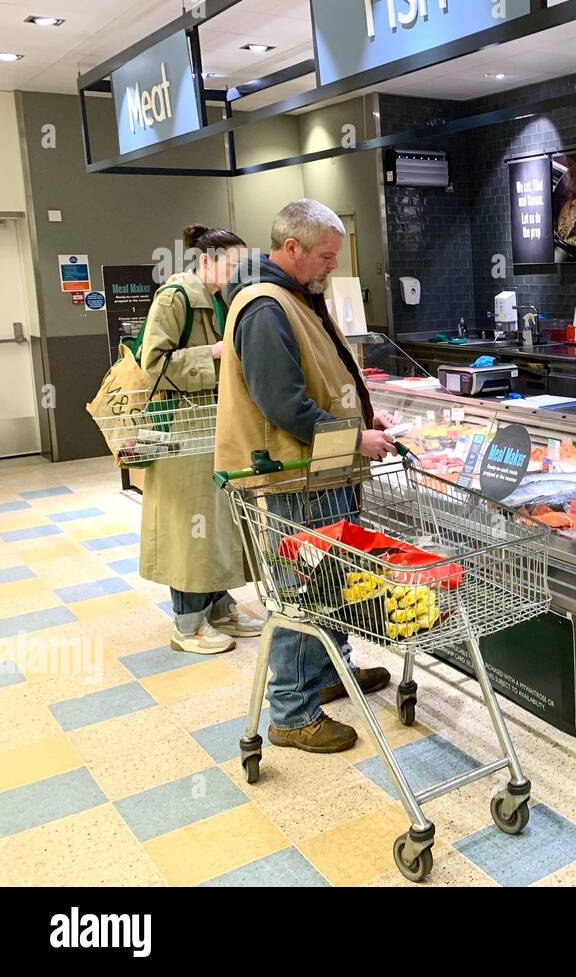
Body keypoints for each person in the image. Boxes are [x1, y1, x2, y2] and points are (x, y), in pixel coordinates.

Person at [215, 199, 398, 755]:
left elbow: (322, 380)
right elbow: (284, 405)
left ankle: (328, 672)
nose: (331, 269)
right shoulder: (267, 307)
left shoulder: (297, 297)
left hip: (320, 475)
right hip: (291, 481)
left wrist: (365, 419)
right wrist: (355, 439)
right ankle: (293, 714)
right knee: (300, 595)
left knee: (329, 581)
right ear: (290, 248)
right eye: (324, 257)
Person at [138, 225, 260, 654]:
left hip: (217, 426)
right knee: (190, 528)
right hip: (181, 434)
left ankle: (219, 607)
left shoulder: (223, 298)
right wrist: (214, 352)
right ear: (206, 260)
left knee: (222, 523)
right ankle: (187, 624)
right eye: (233, 265)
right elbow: (152, 364)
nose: (239, 273)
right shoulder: (175, 298)